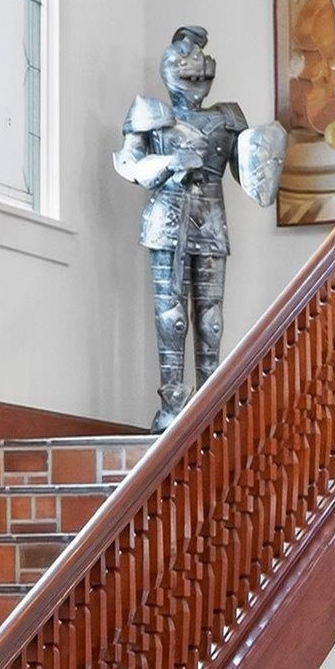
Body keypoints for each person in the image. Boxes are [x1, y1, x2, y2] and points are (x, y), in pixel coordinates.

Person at [114, 26, 284, 430]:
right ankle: (173, 404)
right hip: (167, 219)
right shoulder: (150, 114)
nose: (195, 76)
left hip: (210, 220)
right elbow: (129, 164)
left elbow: (251, 172)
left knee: (211, 320)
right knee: (172, 317)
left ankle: (210, 404)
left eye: (200, 68)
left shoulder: (227, 119)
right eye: (186, 65)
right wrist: (170, 163)